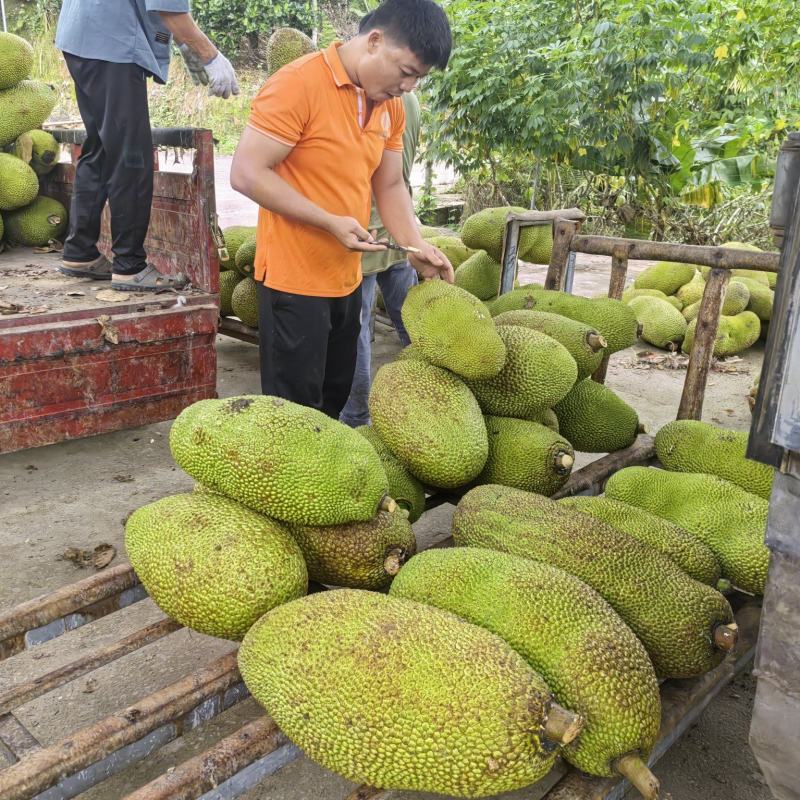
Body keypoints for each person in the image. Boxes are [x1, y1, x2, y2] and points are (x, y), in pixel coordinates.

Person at [230, 0, 453, 419]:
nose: (409, 87)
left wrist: (414, 246)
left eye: (418, 79)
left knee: (332, 405)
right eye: (406, 72)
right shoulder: (297, 83)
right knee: (292, 417)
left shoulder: (390, 106)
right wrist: (328, 221)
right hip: (293, 282)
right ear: (373, 41)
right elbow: (246, 172)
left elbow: (388, 184)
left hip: (347, 279)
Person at [55, 1, 239, 291]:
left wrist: (182, 43)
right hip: (110, 44)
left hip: (82, 37)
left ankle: (80, 252)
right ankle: (130, 266)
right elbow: (167, 7)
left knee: (102, 145)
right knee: (132, 156)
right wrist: (210, 56)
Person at [339, 88, 421, 428]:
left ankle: (357, 417)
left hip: (364, 238)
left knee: (356, 335)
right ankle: (428, 401)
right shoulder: (411, 100)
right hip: (401, 232)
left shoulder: (359, 101)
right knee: (417, 325)